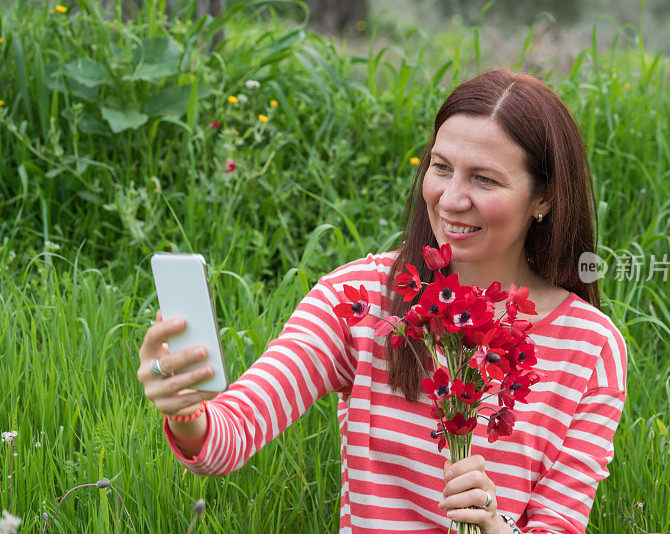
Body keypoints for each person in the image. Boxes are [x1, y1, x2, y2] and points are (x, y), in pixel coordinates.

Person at [137, 68, 627, 534]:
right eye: (441, 168)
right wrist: (185, 411)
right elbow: (229, 436)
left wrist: (494, 525)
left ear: (543, 198)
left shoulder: (591, 349)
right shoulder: (359, 300)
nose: (451, 199)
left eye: (484, 179)